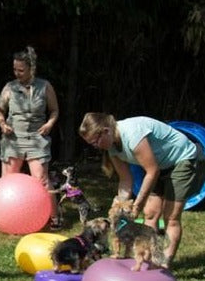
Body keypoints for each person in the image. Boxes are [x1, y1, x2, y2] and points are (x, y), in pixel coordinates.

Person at [79, 112, 205, 267]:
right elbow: (126, 180)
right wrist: (120, 205)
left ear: (106, 131)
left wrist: (137, 204)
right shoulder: (112, 148)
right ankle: (147, 258)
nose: (96, 146)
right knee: (150, 213)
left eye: (95, 141)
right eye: (92, 144)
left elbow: (152, 171)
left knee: (170, 217)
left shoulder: (133, 134)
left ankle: (164, 262)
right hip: (159, 165)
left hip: (182, 159)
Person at [0, 46, 60, 228]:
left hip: (36, 139)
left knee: (42, 180)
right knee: (8, 180)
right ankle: (4, 217)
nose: (17, 73)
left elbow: (54, 111)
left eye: (21, 70)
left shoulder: (45, 87)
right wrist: (2, 124)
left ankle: (53, 218)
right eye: (15, 69)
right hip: (13, 139)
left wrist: (49, 124)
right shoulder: (9, 88)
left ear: (32, 69)